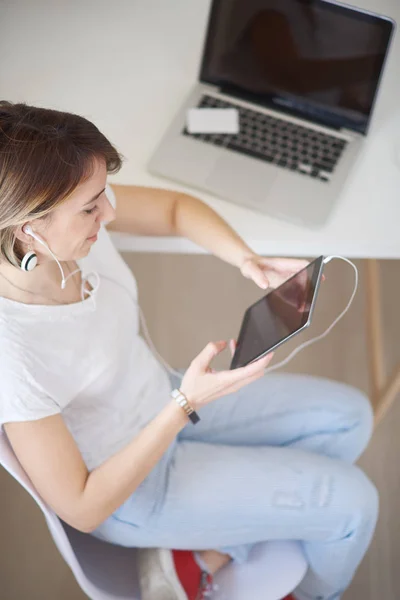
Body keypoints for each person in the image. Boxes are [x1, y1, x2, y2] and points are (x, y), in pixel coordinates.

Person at [0, 101, 378, 600]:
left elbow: (175, 209)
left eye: (104, 194)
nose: (110, 213)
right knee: (354, 505)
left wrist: (246, 259)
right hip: (134, 486)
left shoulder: (66, 225)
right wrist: (186, 405)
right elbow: (83, 507)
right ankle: (304, 589)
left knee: (351, 418)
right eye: (92, 207)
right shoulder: (12, 352)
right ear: (29, 227)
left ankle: (211, 543)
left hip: (160, 395)